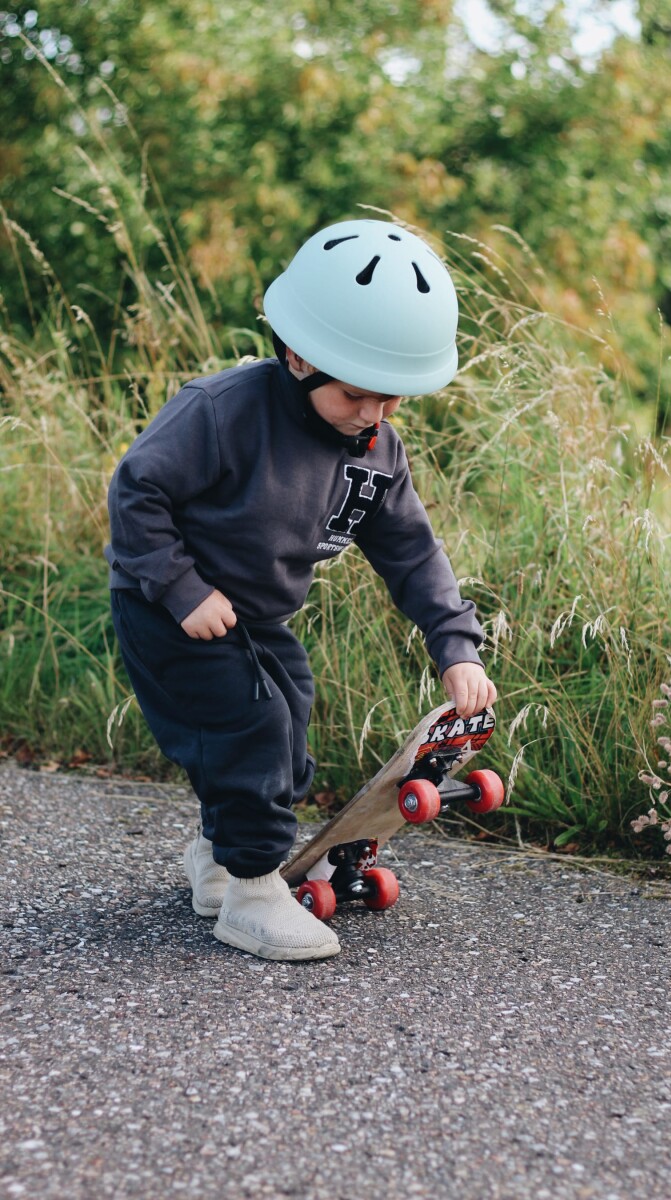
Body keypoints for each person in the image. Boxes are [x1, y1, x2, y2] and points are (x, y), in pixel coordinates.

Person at [105, 218, 497, 962]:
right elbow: (136, 493)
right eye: (356, 395)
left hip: (255, 617)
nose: (374, 417)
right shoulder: (221, 413)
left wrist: (456, 648)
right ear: (297, 357)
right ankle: (252, 894)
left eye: (393, 401)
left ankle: (219, 858)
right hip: (168, 608)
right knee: (251, 730)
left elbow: (413, 553)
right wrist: (182, 588)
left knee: (289, 727)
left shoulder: (375, 450)